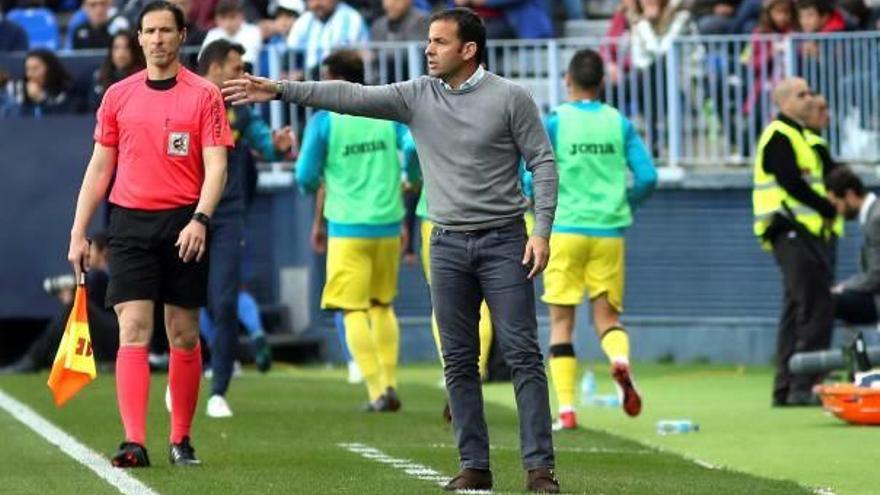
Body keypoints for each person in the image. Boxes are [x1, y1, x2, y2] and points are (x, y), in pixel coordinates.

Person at [223, 8, 560, 492]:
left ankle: (539, 470)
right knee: (459, 360)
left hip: (505, 239)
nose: (428, 49)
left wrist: (541, 230)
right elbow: (349, 95)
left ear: (469, 50)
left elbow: (543, 163)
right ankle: (474, 465)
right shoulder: (416, 95)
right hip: (444, 243)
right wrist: (279, 89)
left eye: (440, 42)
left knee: (523, 354)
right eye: (428, 40)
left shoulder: (511, 97)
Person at [67, 0, 231, 467]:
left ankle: (181, 438)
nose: (157, 39)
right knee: (133, 329)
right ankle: (134, 441)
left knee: (182, 334)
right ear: (138, 38)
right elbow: (100, 166)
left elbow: (217, 165)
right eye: (149, 31)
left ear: (182, 36)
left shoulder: (204, 95)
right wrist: (79, 231)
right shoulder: (118, 95)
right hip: (130, 224)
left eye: (166, 31)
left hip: (185, 222)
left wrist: (200, 219)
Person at [542, 49, 657, 431]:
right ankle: (619, 363)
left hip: (564, 230)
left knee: (561, 322)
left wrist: (535, 200)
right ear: (603, 83)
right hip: (608, 232)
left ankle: (568, 411)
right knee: (607, 318)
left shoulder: (556, 121)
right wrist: (624, 205)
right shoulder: (618, 122)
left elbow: (532, 174)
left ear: (568, 80)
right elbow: (647, 177)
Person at [294, 49, 410, 412]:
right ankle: (390, 381)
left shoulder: (326, 120)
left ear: (332, 78)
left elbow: (304, 176)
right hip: (389, 222)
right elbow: (413, 149)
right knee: (383, 304)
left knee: (351, 308)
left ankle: (377, 390)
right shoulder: (387, 113)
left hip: (347, 226)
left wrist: (317, 184)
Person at [196, 38, 288, 418]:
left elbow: (265, 146)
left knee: (225, 298)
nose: (242, 75)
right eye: (236, 68)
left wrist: (278, 146)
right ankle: (182, 376)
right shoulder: (185, 98)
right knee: (181, 301)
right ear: (214, 67)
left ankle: (219, 388)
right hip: (184, 211)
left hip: (229, 214)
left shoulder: (241, 110)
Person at [752, 77, 836, 407]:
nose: (809, 98)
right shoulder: (779, 135)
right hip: (788, 227)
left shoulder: (802, 136)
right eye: (802, 94)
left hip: (800, 231)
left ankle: (785, 388)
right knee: (814, 306)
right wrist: (827, 206)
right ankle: (804, 385)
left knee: (794, 309)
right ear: (785, 103)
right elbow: (790, 182)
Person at [0, 233, 119, 374]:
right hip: (110, 335)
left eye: (91, 250)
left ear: (103, 252)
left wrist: (71, 301)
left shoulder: (102, 277)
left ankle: (34, 359)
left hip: (117, 335)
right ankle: (46, 359)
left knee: (74, 308)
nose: (86, 254)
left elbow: (89, 311)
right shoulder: (103, 277)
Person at [826, 167, 880, 326]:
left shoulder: (876, 219)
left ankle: (815, 351)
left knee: (827, 301)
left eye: (837, 204)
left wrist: (844, 287)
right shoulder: (872, 215)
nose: (838, 211)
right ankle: (853, 350)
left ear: (849, 195)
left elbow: (876, 276)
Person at [286, 0, 368, 72]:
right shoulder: (305, 19)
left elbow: (340, 58)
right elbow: (291, 51)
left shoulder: (350, 18)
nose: (316, 3)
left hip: (341, 81)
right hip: (309, 81)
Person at [201, 0, 264, 68]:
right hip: (218, 74)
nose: (228, 23)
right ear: (216, 18)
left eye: (232, 17)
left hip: (245, 73)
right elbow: (202, 60)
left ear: (241, 16)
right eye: (223, 18)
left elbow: (247, 61)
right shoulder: (213, 34)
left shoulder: (253, 31)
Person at [92, 30, 146, 109]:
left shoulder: (142, 79)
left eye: (126, 48)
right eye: (116, 48)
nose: (121, 53)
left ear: (134, 51)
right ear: (111, 51)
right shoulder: (100, 76)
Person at [15, 49, 78, 117]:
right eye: (27, 69)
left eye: (35, 68)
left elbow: (63, 118)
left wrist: (41, 99)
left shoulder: (66, 89)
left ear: (50, 69)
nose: (29, 74)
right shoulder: (20, 88)